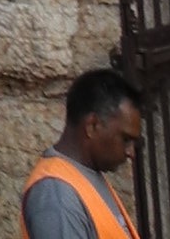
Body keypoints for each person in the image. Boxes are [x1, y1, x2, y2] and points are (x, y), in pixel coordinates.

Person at [23, 70, 147, 239]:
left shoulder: (82, 178)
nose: (131, 152)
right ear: (92, 125)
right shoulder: (57, 195)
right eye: (125, 139)